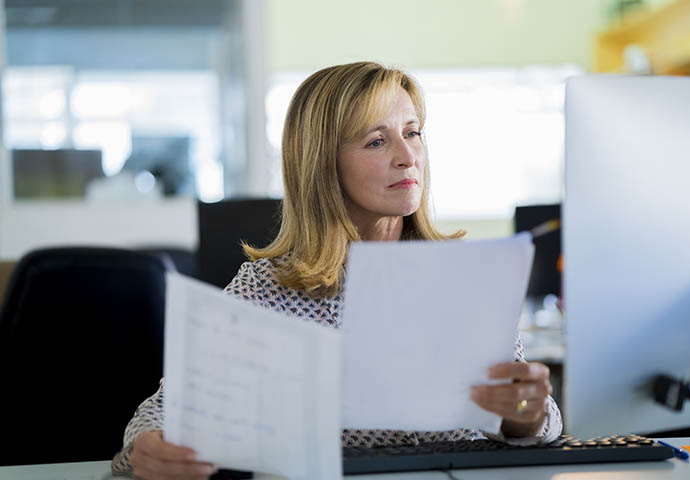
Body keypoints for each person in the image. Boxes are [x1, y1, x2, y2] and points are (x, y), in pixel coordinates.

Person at [111, 61, 563, 479]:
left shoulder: (465, 276)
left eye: (413, 132)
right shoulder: (269, 289)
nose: (408, 156)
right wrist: (147, 448)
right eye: (377, 140)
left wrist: (527, 412)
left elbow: (531, 417)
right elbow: (168, 409)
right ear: (324, 163)